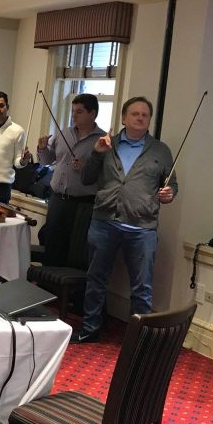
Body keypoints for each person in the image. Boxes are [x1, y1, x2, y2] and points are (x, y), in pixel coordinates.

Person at [74, 96, 175, 343]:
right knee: (96, 279)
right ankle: (90, 328)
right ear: (123, 118)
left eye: (145, 115)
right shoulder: (107, 143)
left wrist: (169, 194)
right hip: (104, 221)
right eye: (135, 114)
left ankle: (137, 340)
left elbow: (171, 185)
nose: (140, 118)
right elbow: (87, 178)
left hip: (142, 227)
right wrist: (96, 154)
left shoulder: (161, 151)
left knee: (142, 287)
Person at [36, 93, 106, 267]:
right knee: (52, 245)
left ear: (93, 113)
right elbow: (46, 161)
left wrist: (85, 167)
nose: (74, 115)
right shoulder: (63, 133)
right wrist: (42, 148)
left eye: (79, 112)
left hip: (83, 204)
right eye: (73, 111)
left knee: (76, 250)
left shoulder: (103, 140)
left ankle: (70, 292)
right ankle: (49, 288)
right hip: (57, 199)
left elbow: (106, 174)